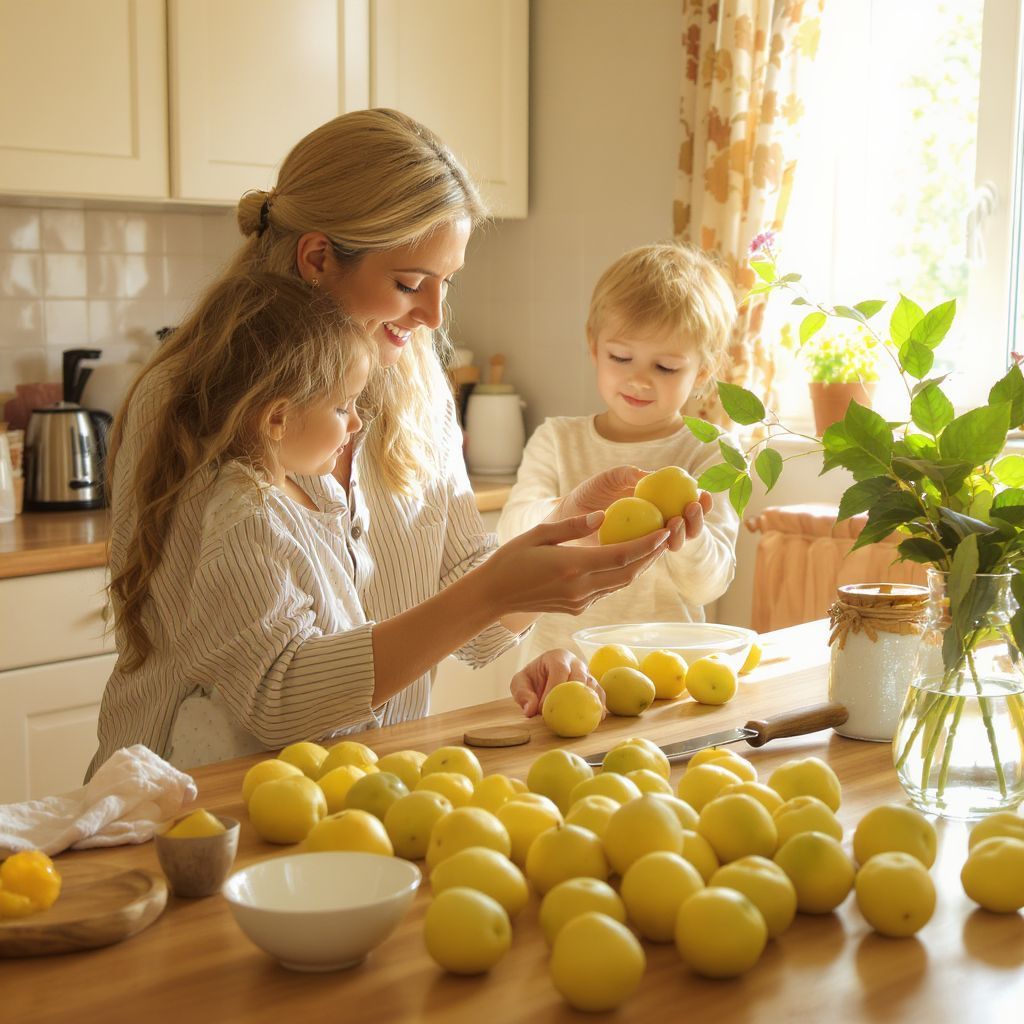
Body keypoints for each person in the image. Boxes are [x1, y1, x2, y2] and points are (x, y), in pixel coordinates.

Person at [88, 110, 677, 775]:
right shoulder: (203, 399)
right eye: (408, 284)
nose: (432, 316)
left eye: (446, 283)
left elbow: (468, 616)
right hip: (191, 806)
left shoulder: (415, 381)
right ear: (316, 259)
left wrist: (576, 534)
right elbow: (277, 697)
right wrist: (488, 593)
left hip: (365, 795)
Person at [497, 241, 740, 660]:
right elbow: (510, 535)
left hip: (665, 671)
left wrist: (689, 538)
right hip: (557, 668)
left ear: (703, 370)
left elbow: (710, 584)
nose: (640, 380)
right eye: (621, 357)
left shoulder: (711, 452)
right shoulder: (556, 440)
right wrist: (571, 513)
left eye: (665, 367)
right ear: (594, 346)